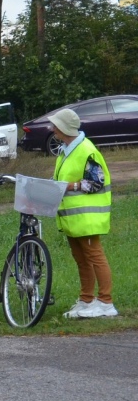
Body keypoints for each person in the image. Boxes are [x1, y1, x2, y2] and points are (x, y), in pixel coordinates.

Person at [50, 108, 117, 318]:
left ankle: (106, 302)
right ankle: (86, 299)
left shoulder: (86, 150)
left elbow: (96, 182)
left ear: (64, 128)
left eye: (55, 125)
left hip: (87, 217)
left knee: (95, 257)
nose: (52, 129)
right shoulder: (65, 150)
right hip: (73, 218)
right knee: (81, 259)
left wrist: (69, 186)